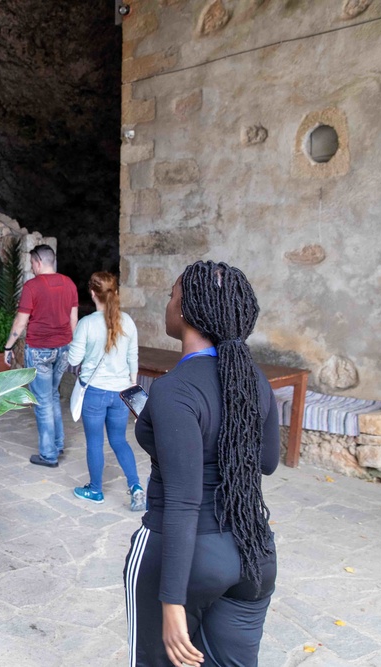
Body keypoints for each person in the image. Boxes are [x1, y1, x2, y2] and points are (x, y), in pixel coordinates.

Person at [124, 261, 279, 667]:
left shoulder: (175, 389)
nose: (168, 301)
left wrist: (171, 601)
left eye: (173, 293)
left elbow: (183, 501)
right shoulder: (254, 380)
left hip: (188, 561)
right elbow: (267, 462)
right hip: (253, 553)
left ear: (188, 309)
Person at [67, 272, 145, 511]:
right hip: (121, 392)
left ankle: (95, 490)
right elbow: (133, 358)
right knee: (119, 440)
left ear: (92, 294)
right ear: (116, 293)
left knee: (94, 441)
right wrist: (131, 385)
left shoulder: (87, 323)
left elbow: (74, 359)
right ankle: (136, 488)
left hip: (95, 392)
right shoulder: (128, 321)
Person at [4, 244, 78, 467]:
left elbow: (21, 321)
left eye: (31, 263)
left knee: (43, 401)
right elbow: (73, 319)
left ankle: (48, 455)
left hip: (40, 350)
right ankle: (58, 443)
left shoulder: (32, 286)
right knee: (53, 395)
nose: (31, 267)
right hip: (62, 348)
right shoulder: (69, 283)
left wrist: (8, 347)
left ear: (37, 261)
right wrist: (68, 344)